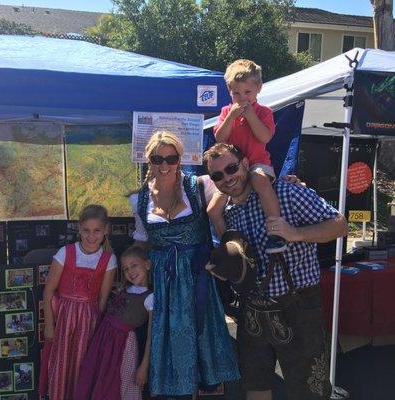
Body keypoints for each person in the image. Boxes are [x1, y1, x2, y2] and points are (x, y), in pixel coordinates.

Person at [204, 143, 348, 400]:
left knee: (308, 391)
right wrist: (225, 268)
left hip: (298, 307)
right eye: (218, 175)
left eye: (231, 168)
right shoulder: (229, 212)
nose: (227, 178)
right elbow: (243, 263)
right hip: (252, 312)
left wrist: (296, 233)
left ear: (246, 163)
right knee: (256, 386)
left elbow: (340, 225)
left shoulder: (286, 192)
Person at [129, 131, 239, 398]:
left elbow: (237, 186)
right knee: (168, 339)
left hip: (195, 276)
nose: (164, 165)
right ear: (149, 161)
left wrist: (273, 179)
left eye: (171, 158)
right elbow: (142, 243)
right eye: (158, 159)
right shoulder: (138, 200)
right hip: (164, 281)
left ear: (180, 159)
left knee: (201, 340)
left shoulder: (200, 185)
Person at [40, 204, 117, 400]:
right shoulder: (65, 253)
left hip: (88, 321)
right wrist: (49, 325)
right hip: (64, 317)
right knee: (62, 362)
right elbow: (48, 291)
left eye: (97, 231)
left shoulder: (109, 260)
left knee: (83, 364)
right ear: (79, 229)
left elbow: (102, 299)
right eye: (86, 231)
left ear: (105, 230)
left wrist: (96, 326)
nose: (91, 236)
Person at [213, 59, 286, 253]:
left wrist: (250, 115)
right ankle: (229, 246)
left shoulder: (264, 112)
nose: (241, 98)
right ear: (229, 91)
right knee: (213, 209)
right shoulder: (226, 111)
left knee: (259, 180)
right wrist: (231, 117)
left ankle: (276, 232)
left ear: (258, 89)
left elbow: (265, 137)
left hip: (257, 164)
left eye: (247, 92)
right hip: (233, 168)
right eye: (236, 93)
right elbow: (220, 139)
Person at [76, 245, 154, 400]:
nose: (130, 272)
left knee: (120, 384)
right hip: (103, 342)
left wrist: (144, 367)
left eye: (134, 265)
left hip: (122, 345)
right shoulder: (124, 289)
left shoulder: (150, 297)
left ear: (147, 264)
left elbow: (152, 334)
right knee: (96, 380)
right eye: (125, 269)